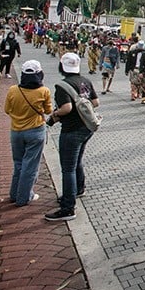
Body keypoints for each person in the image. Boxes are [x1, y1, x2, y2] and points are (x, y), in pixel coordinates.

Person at [45, 53, 99, 221]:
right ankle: (78, 189)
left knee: (67, 168)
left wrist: (54, 115)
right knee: (77, 161)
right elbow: (96, 102)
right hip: (87, 128)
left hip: (71, 130)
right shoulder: (85, 81)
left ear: (62, 67)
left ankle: (68, 207)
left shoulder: (63, 86)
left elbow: (66, 108)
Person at [4, 60, 52, 206]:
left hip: (16, 131)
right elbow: (48, 110)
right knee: (30, 166)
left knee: (18, 163)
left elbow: (7, 110)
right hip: (35, 131)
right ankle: (24, 197)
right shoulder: (43, 91)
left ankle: (14, 194)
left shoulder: (13, 90)